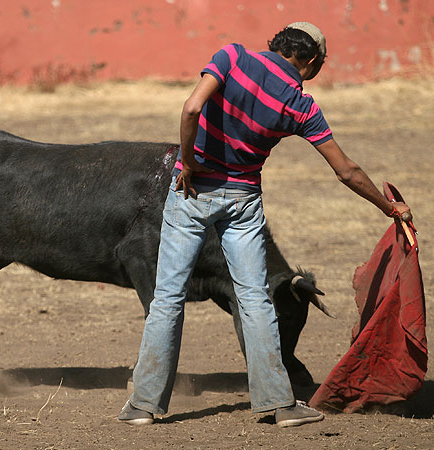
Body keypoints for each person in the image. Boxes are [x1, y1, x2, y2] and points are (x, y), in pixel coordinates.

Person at [118, 22, 412, 427]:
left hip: (192, 193)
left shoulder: (232, 57)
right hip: (242, 202)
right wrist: (388, 207)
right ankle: (277, 403)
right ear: (310, 60)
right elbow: (346, 171)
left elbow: (190, 108)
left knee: (168, 296)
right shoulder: (302, 105)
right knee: (254, 299)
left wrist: (187, 162)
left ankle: (144, 406)